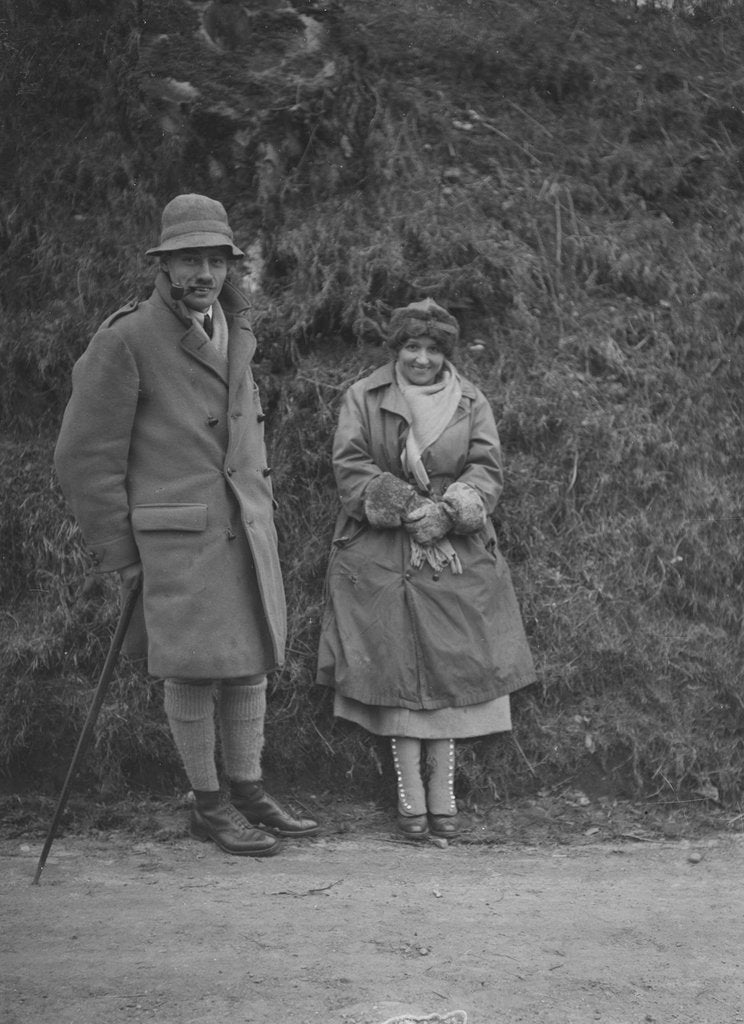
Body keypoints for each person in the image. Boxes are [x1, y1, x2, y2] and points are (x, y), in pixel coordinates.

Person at [54, 193, 319, 857]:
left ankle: (249, 789)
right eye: (188, 260)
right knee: (195, 671)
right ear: (164, 266)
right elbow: (84, 460)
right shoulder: (127, 340)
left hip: (243, 528)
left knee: (248, 660)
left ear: (230, 266)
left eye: (215, 260)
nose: (203, 272)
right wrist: (123, 552)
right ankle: (207, 802)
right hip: (176, 540)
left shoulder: (238, 327)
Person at [317, 298, 536, 840]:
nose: (421, 359)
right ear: (397, 350)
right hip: (381, 551)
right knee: (396, 668)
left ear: (446, 355)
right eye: (412, 347)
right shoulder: (363, 396)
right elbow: (350, 465)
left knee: (450, 667)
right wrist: (404, 505)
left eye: (433, 350)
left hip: (455, 549)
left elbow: (487, 467)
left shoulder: (470, 401)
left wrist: (449, 511)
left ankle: (444, 792)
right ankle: (410, 796)